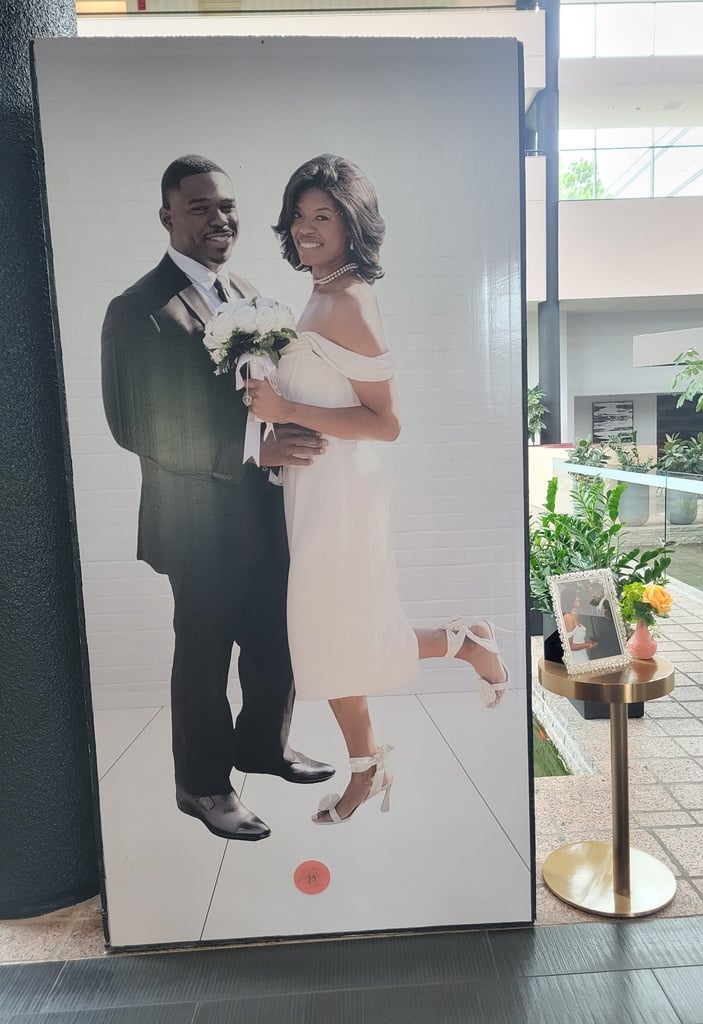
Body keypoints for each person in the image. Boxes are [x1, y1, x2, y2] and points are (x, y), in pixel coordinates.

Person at [246, 154, 509, 826]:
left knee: (339, 634)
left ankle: (461, 646)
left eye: (323, 216)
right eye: (299, 215)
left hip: (343, 495)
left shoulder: (351, 301)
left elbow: (385, 422)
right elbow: (322, 394)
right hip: (311, 489)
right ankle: (375, 756)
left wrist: (287, 409)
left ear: (351, 223)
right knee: (332, 636)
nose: (306, 227)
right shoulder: (320, 292)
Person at [101, 155, 334, 842]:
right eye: (199, 206)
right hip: (195, 523)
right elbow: (134, 425)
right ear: (167, 216)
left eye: (226, 205)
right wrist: (252, 449)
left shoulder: (248, 293)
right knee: (203, 659)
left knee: (274, 641)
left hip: (264, 510)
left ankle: (262, 747)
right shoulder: (137, 310)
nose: (218, 218)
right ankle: (202, 785)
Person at [560, 585, 598, 664]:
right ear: (569, 600)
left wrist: (589, 643)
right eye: (575, 597)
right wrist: (587, 644)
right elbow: (569, 646)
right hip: (576, 659)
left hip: (583, 656)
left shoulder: (574, 615)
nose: (578, 598)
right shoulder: (568, 617)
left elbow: (577, 639)